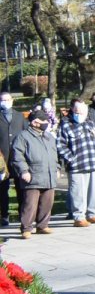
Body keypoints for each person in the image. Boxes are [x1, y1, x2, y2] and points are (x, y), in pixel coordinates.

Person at [56, 98, 95, 227]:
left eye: (83, 110)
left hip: (92, 162)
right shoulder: (66, 124)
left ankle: (93, 213)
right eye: (78, 110)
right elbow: (60, 145)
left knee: (93, 190)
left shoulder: (90, 123)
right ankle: (79, 216)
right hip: (76, 165)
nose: (81, 113)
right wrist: (71, 159)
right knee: (77, 191)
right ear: (72, 109)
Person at [10, 108, 57, 239]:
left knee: (47, 202)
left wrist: (57, 168)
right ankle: (26, 228)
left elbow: (54, 155)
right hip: (32, 175)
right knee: (30, 204)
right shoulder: (23, 136)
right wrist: (23, 171)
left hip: (49, 174)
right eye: (44, 121)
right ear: (35, 122)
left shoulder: (49, 137)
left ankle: (43, 225)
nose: (46, 123)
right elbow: (17, 156)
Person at [0, 91, 26, 227]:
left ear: (12, 100)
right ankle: (4, 215)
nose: (5, 102)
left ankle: (24, 215)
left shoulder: (19, 116)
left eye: (7, 99)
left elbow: (25, 134)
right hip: (1, 160)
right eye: (2, 100)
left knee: (20, 188)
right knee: (2, 190)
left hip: (17, 158)